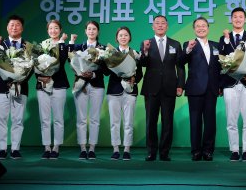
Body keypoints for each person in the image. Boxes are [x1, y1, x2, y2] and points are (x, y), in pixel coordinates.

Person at [140, 15, 185, 161]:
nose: (160, 25)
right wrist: (145, 51)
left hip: (170, 88)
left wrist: (180, 85)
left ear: (167, 26)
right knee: (150, 121)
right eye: (157, 23)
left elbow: (180, 67)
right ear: (153, 26)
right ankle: (151, 151)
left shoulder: (175, 44)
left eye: (163, 23)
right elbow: (143, 64)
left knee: (168, 121)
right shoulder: (146, 43)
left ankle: (164, 152)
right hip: (151, 87)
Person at [218, 7, 246, 162]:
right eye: (235, 17)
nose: (238, 19)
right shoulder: (223, 39)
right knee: (231, 118)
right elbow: (221, 61)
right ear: (231, 19)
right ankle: (235, 150)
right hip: (230, 83)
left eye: (240, 17)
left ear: (245, 19)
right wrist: (227, 40)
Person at [180, 17, 221, 161]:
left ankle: (208, 150)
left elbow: (220, 68)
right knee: (195, 121)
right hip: (195, 88)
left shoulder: (216, 46)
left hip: (212, 88)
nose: (201, 28)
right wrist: (188, 49)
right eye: (198, 26)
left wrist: (219, 86)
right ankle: (196, 151)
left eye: (203, 26)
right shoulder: (189, 44)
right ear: (194, 29)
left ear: (208, 28)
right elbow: (181, 61)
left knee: (210, 121)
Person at [0, 15, 32, 159]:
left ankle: (15, 148)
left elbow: (32, 67)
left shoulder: (28, 46)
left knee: (18, 119)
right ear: (7, 28)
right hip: (1, 87)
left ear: (21, 28)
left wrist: (20, 80)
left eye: (17, 25)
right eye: (11, 25)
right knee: (1, 119)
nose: (14, 27)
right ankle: (2, 149)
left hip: (21, 87)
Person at [70, 21, 107, 160]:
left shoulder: (103, 48)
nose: (91, 31)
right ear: (85, 31)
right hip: (80, 85)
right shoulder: (78, 47)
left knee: (94, 118)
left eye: (94, 29)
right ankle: (82, 148)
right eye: (89, 29)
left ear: (98, 31)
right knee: (81, 118)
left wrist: (93, 74)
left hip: (97, 85)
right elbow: (72, 64)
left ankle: (92, 148)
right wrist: (81, 74)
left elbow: (107, 69)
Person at [107, 27, 143, 161]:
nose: (123, 37)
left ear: (129, 37)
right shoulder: (111, 53)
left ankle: (127, 149)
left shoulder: (135, 53)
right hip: (114, 90)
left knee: (128, 122)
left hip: (130, 90)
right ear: (117, 38)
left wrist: (134, 79)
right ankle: (115, 149)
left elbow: (140, 74)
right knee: (114, 122)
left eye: (126, 35)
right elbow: (106, 72)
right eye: (120, 35)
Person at [35, 20, 69, 159]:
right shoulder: (41, 45)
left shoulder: (63, 46)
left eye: (56, 28)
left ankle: (56, 146)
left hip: (59, 84)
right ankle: (46, 147)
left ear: (60, 30)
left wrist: (61, 42)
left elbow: (62, 60)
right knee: (45, 118)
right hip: (43, 85)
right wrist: (42, 77)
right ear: (47, 30)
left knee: (58, 118)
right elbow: (35, 64)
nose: (53, 30)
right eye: (50, 28)